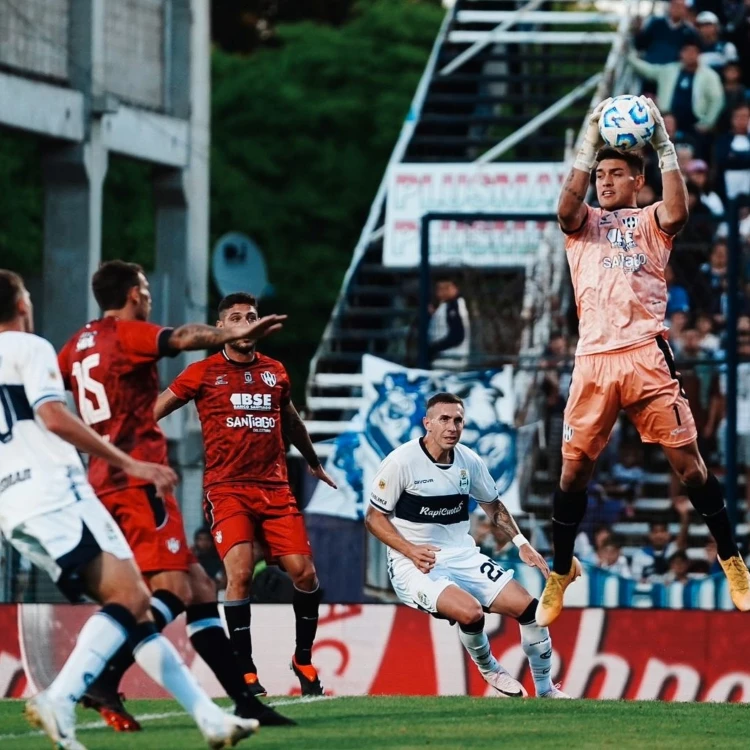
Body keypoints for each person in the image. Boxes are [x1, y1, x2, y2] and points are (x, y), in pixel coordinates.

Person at [0, 270, 259, 750]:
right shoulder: (40, 345)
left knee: (152, 597)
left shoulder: (72, 346)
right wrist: (128, 461)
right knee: (154, 592)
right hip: (79, 487)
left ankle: (213, 717)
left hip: (16, 507)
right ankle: (69, 693)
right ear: (19, 305)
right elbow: (53, 413)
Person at [538, 95, 750, 627]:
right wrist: (588, 144)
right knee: (572, 475)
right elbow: (564, 208)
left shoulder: (651, 220)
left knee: (690, 467)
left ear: (638, 180)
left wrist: (662, 143)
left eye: (615, 173)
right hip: (593, 361)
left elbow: (679, 211)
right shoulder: (582, 222)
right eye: (601, 174)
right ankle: (560, 571)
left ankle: (731, 557)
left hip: (645, 357)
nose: (605, 182)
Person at [58, 261, 292, 730]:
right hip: (137, 478)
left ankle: (245, 701)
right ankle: (94, 679)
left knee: (201, 588)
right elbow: (181, 338)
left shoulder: (75, 346)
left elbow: (69, 394)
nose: (147, 296)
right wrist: (229, 336)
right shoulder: (125, 333)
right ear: (130, 294)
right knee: (169, 591)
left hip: (104, 477)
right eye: (143, 288)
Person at [153, 292, 337, 698]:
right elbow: (155, 409)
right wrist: (125, 449)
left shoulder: (275, 372)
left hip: (274, 488)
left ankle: (302, 659)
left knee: (305, 575)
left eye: (251, 315)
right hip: (227, 489)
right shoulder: (201, 373)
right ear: (222, 328)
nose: (245, 321)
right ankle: (246, 672)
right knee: (238, 574)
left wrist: (312, 460)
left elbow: (290, 421)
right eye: (236, 317)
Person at [365, 392, 569, 700]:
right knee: (472, 614)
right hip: (413, 562)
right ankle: (489, 667)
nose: (452, 427)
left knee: (531, 610)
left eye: (458, 420)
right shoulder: (401, 462)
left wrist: (522, 543)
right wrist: (409, 550)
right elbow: (373, 519)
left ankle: (546, 691)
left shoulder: (469, 461)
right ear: (427, 424)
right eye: (444, 419)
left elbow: (493, 505)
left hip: (463, 554)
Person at [628, 40, 725, 139]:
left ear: (699, 54)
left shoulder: (709, 75)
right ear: (681, 53)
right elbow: (648, 70)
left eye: (693, 52)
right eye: (686, 51)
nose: (690, 55)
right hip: (667, 121)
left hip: (694, 125)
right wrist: (630, 57)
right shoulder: (669, 70)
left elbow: (717, 100)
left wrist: (707, 123)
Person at [633, 0, 701, 66]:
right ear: (670, 6)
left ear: (685, 10)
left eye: (680, 6)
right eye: (675, 5)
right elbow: (640, 46)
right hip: (649, 66)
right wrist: (638, 32)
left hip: (671, 72)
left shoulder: (690, 32)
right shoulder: (656, 23)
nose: (677, 9)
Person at [427, 277, 471, 370]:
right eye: (440, 288)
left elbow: (457, 336)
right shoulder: (446, 306)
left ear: (455, 289)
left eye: (447, 288)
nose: (443, 291)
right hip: (447, 360)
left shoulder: (454, 306)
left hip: (450, 360)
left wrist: (433, 348)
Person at [192, 527, 227, 593]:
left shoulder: (220, 560)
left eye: (206, 539)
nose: (203, 543)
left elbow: (223, 581)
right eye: (200, 539)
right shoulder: (193, 559)